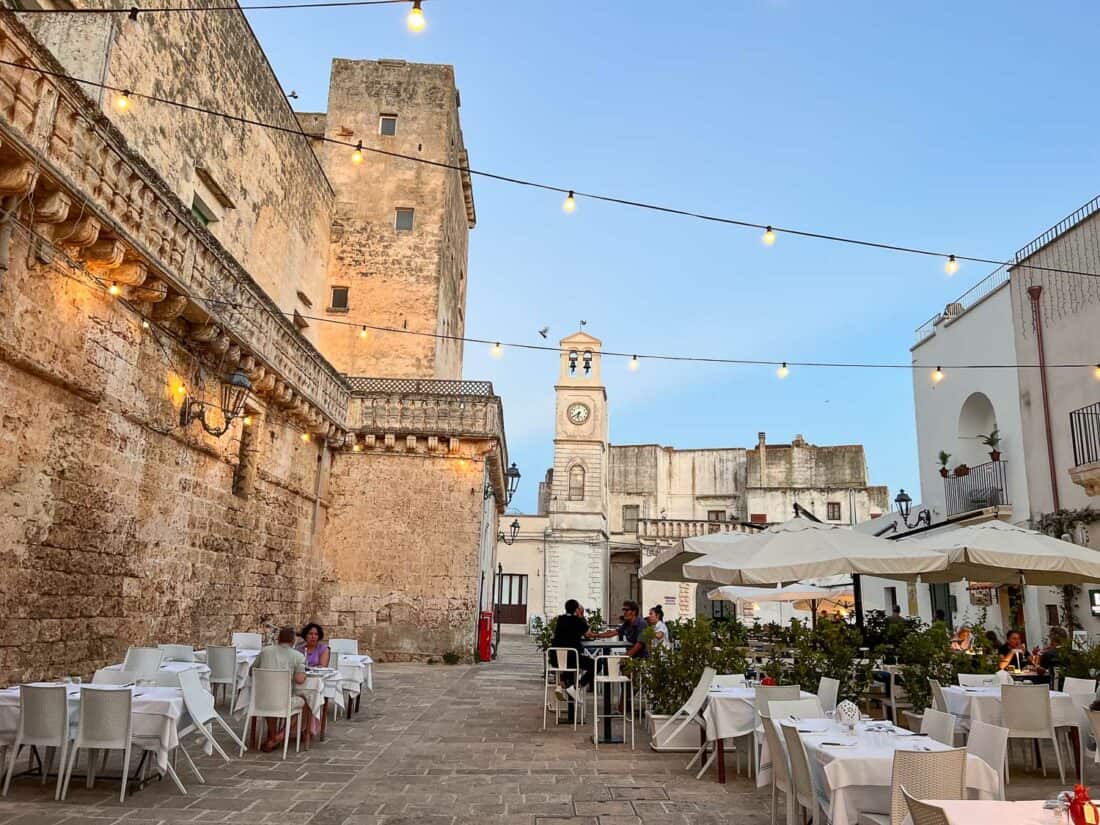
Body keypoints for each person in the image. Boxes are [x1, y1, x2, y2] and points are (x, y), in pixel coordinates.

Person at [257, 626, 307, 752]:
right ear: (293, 640)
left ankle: (273, 736)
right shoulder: (298, 656)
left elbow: (253, 671)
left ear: (278, 638)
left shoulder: (265, 651)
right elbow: (300, 679)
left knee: (271, 700)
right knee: (304, 702)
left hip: (261, 699)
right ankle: (280, 736)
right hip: (283, 701)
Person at [549, 599, 595, 701]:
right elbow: (588, 634)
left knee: (567, 662)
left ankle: (561, 684)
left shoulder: (560, 619)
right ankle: (576, 687)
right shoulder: (578, 621)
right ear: (577, 609)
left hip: (556, 659)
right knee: (595, 664)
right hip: (572, 658)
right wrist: (582, 616)